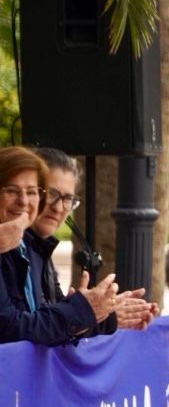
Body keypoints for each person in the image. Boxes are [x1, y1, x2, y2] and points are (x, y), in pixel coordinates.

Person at [28, 147, 157, 333]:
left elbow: (54, 325)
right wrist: (89, 313)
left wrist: (106, 313)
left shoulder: (40, 248)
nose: (59, 208)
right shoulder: (12, 248)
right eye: (52, 194)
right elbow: (18, 328)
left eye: (68, 198)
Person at [0, 146, 117, 345]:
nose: (23, 201)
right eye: (12, 190)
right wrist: (81, 310)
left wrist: (104, 313)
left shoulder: (32, 248)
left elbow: (43, 323)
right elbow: (10, 328)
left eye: (32, 191)